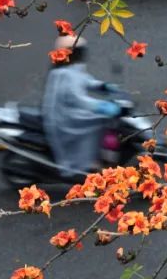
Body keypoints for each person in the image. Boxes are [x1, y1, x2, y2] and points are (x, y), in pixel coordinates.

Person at [42, 36, 120, 176]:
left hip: (69, 111)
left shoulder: (70, 68)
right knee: (97, 124)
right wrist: (101, 106)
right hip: (63, 117)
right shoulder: (63, 73)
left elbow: (86, 81)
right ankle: (84, 165)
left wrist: (104, 86)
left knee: (98, 120)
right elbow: (77, 99)